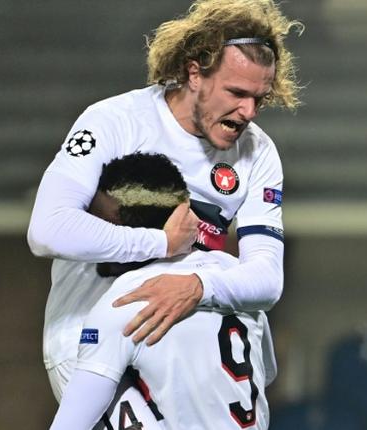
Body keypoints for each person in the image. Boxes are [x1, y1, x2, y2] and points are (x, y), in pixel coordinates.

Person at [26, 0, 301, 404]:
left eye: (259, 98)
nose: (248, 112)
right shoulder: (114, 121)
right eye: (237, 93)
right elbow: (47, 230)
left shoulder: (257, 153)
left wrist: (196, 285)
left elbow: (266, 277)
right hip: (92, 344)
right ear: (195, 73)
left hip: (188, 355)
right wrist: (160, 244)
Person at [50, 152, 277, 429]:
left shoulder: (124, 302)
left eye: (98, 224)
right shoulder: (236, 280)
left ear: (119, 227)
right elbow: (266, 374)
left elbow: (71, 423)